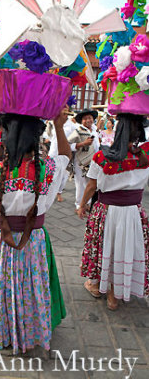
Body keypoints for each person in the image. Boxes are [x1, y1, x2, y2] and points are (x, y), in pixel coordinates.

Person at [0, 111, 71, 354]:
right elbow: (65, 155)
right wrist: (59, 125)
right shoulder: (50, 169)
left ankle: (2, 329)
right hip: (33, 240)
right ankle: (30, 329)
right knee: (30, 284)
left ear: (6, 137)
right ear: (37, 139)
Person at [78, 114, 149, 310]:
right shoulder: (145, 156)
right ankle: (120, 288)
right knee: (126, 248)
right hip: (133, 213)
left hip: (107, 211)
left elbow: (91, 186)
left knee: (106, 248)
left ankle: (106, 290)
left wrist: (82, 205)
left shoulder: (102, 157)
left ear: (117, 132)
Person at [68, 109, 99, 212]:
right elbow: (68, 144)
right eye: (85, 119)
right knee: (80, 184)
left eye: (89, 118)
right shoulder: (77, 131)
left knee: (90, 184)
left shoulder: (95, 131)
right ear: (81, 121)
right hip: (80, 162)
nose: (88, 120)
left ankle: (87, 204)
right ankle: (78, 205)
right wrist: (83, 144)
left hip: (93, 162)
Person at [49, 105, 77, 202]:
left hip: (65, 150)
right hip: (53, 151)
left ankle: (59, 192)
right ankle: (51, 190)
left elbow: (79, 132)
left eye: (66, 108)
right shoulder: (52, 121)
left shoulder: (72, 125)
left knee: (64, 174)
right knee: (51, 173)